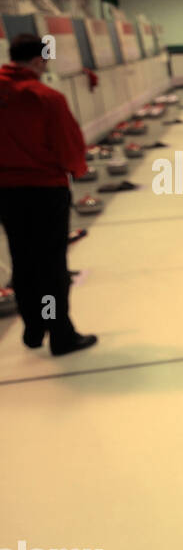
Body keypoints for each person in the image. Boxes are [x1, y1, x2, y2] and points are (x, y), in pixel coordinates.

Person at [0, 34, 96, 355]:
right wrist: (77, 169)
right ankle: (59, 332)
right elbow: (69, 147)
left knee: (24, 261)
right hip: (44, 192)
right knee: (50, 267)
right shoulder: (46, 97)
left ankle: (34, 326)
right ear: (39, 60)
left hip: (6, 193)